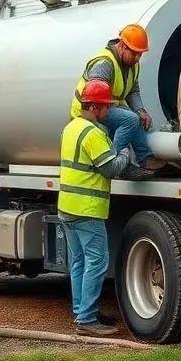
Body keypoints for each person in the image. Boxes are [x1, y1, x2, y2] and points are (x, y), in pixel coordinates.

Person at [59, 80, 130, 336]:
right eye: (106, 107)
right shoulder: (93, 134)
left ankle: (82, 313)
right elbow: (110, 168)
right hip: (87, 209)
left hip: (67, 206)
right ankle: (87, 320)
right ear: (95, 107)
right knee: (97, 262)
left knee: (79, 262)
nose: (108, 112)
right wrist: (124, 155)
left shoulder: (71, 128)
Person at [71, 24, 155, 180]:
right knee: (130, 119)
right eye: (135, 53)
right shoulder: (104, 63)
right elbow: (95, 94)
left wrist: (141, 110)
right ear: (122, 46)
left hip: (108, 105)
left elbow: (133, 90)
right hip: (90, 109)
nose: (137, 58)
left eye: (140, 54)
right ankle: (114, 161)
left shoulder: (132, 65)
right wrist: (129, 114)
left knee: (138, 118)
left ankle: (145, 161)